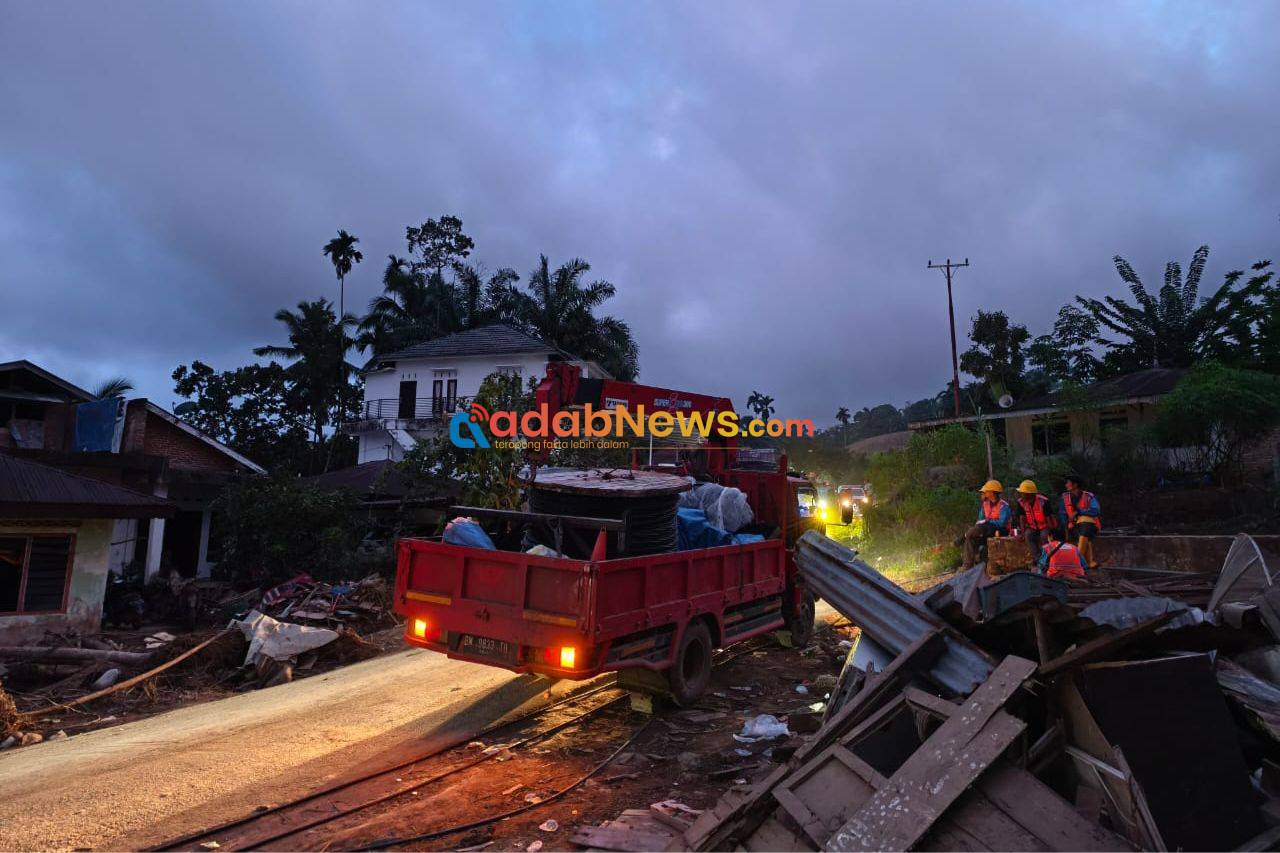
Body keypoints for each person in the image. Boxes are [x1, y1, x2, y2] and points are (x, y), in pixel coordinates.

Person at [961, 479, 1011, 569]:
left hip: (999, 530)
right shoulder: (985, 504)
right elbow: (980, 520)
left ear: (992, 492)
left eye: (986, 491)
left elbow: (1002, 523)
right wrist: (983, 524)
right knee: (970, 538)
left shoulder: (1003, 505)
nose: (984, 492)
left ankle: (963, 537)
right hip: (986, 530)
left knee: (984, 526)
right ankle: (967, 565)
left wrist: (988, 521)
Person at [1059, 474, 1101, 570]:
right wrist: (1067, 525)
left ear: (1075, 485)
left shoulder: (1089, 496)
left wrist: (1078, 512)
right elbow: (1062, 514)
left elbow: (1096, 510)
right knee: (1086, 537)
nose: (1066, 485)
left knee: (1085, 520)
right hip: (1073, 527)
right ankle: (1089, 562)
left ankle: (1077, 561)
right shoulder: (1064, 497)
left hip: (1091, 526)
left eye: (1068, 483)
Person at [1013, 479, 1055, 561]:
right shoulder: (1021, 502)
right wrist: (1022, 532)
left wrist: (1051, 531)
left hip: (1045, 526)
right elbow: (1022, 518)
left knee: (1044, 536)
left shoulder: (1043, 501)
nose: (1021, 495)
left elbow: (1049, 517)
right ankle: (1038, 559)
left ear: (1028, 494)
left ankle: (1047, 559)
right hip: (1032, 527)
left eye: (1022, 493)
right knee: (1028, 535)